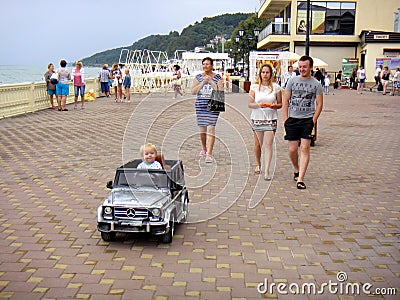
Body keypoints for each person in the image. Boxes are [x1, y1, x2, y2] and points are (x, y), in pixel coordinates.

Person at [283, 55, 323, 189]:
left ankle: (301, 178)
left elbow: (319, 104)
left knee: (305, 148)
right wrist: (285, 119)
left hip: (307, 120)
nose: (302, 69)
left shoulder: (316, 84)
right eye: (300, 67)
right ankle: (296, 168)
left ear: (311, 68)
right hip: (293, 119)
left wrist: (313, 120)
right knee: (292, 149)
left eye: (305, 67)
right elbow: (285, 101)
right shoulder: (292, 81)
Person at [248, 64, 282, 180]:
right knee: (258, 144)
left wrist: (274, 106)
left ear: (271, 74)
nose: (265, 75)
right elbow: (250, 104)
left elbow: (280, 104)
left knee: (268, 144)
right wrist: (258, 105)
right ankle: (259, 164)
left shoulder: (276, 87)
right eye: (263, 72)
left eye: (267, 72)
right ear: (260, 74)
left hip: (271, 119)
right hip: (257, 118)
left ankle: (267, 170)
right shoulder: (254, 87)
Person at [191, 57, 224, 163]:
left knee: (211, 128)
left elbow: (220, 91)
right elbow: (193, 91)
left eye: (208, 64)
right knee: (202, 130)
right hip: (200, 105)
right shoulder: (198, 77)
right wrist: (202, 83)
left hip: (213, 105)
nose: (205, 66)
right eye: (204, 64)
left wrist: (211, 82)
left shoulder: (217, 77)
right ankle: (204, 148)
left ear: (212, 65)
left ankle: (209, 153)